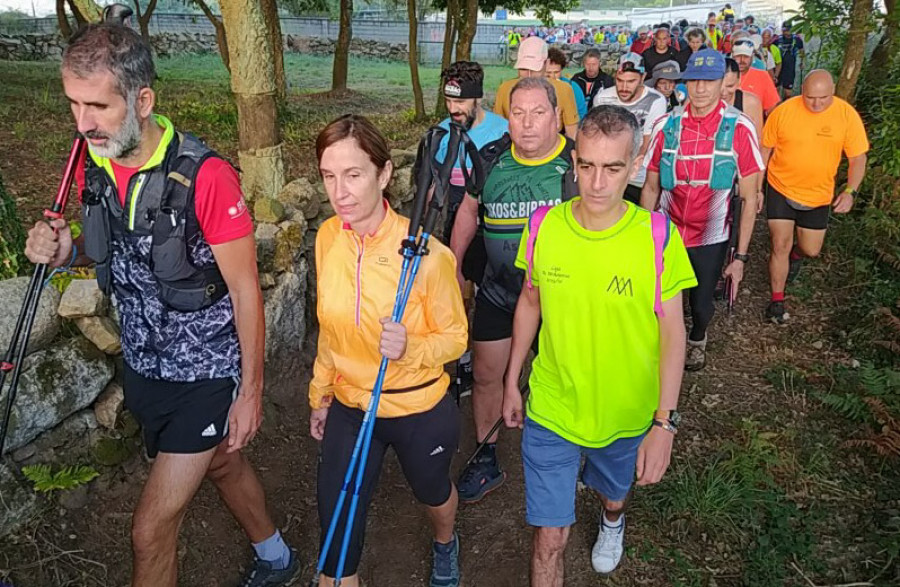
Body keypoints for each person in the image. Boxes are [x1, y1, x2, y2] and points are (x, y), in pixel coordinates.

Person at [23, 23, 300, 587]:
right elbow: (111, 248)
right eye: (74, 104)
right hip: (144, 367)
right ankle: (276, 555)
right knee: (222, 461)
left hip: (207, 374)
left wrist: (249, 394)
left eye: (97, 106)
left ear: (143, 100)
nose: (81, 123)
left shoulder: (207, 177)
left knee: (149, 529)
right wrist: (62, 250)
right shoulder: (94, 160)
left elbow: (247, 291)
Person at [504, 105, 696, 585]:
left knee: (614, 493)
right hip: (552, 406)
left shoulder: (656, 237)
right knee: (549, 539)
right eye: (586, 165)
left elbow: (675, 333)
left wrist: (664, 424)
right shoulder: (544, 226)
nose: (596, 182)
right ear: (574, 161)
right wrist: (512, 380)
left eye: (612, 168)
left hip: (626, 411)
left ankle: (613, 519)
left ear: (635, 165)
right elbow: (531, 302)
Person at [311, 115, 468, 587]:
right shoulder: (327, 238)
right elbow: (329, 327)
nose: (339, 191)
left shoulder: (427, 255)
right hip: (352, 403)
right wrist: (321, 390)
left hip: (418, 405)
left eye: (353, 174)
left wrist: (411, 345)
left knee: (433, 491)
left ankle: (446, 542)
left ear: (383, 175)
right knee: (336, 519)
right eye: (328, 175)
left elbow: (457, 337)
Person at [452, 77, 577, 504]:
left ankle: (567, 453)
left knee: (562, 378)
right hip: (499, 291)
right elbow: (470, 210)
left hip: (561, 299)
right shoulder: (489, 159)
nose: (526, 124)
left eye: (538, 113)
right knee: (487, 375)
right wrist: (453, 264)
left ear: (557, 117)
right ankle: (486, 456)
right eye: (518, 113)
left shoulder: (577, 164)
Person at [641, 49, 764, 371]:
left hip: (711, 233)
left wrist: (740, 258)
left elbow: (749, 198)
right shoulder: (665, 125)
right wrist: (645, 235)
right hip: (667, 229)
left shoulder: (739, 129)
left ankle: (697, 339)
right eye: (694, 80)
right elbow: (651, 187)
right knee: (661, 295)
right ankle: (664, 345)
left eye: (709, 81)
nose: (701, 88)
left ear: (723, 82)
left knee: (701, 299)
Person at [761, 71, 869, 324]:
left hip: (819, 194)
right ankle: (777, 301)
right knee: (780, 245)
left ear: (833, 92)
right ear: (802, 92)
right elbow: (765, 149)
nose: (817, 104)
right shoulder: (785, 111)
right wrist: (756, 187)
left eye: (824, 98)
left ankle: (797, 256)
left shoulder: (846, 115)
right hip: (780, 187)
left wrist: (850, 191)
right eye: (810, 98)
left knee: (811, 249)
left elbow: (858, 158)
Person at [436, 60, 509, 256]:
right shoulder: (441, 135)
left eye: (460, 102)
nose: (452, 109)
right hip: (453, 228)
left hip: (493, 230)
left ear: (478, 98)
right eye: (448, 100)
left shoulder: (504, 133)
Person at [593, 52, 668, 205]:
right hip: (609, 171)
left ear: (643, 78)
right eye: (619, 81)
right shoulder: (602, 98)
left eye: (631, 81)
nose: (624, 87)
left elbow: (647, 143)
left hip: (640, 175)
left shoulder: (656, 100)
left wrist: (627, 169)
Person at [494, 36, 579, 139]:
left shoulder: (564, 90)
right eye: (524, 69)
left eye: (534, 69)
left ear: (546, 64)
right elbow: (497, 131)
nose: (529, 75)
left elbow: (572, 133)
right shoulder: (504, 89)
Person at [733, 38, 780, 113]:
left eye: (746, 57)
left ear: (752, 57)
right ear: (732, 56)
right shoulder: (723, 75)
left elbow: (772, 108)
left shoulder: (762, 76)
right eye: (738, 56)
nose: (741, 60)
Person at [722, 57, 764, 136]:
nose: (724, 92)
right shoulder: (702, 101)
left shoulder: (750, 103)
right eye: (718, 87)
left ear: (739, 81)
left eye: (730, 86)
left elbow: (758, 137)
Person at [546, 47, 588, 119]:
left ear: (562, 70)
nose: (552, 76)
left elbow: (582, 114)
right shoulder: (536, 87)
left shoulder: (573, 87)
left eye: (556, 72)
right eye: (548, 73)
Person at [773, 22, 805, 98]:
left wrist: (802, 62)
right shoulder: (776, 40)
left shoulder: (797, 39)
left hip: (790, 69)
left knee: (788, 93)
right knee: (775, 91)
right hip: (777, 69)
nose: (787, 32)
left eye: (789, 30)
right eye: (785, 30)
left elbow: (802, 51)